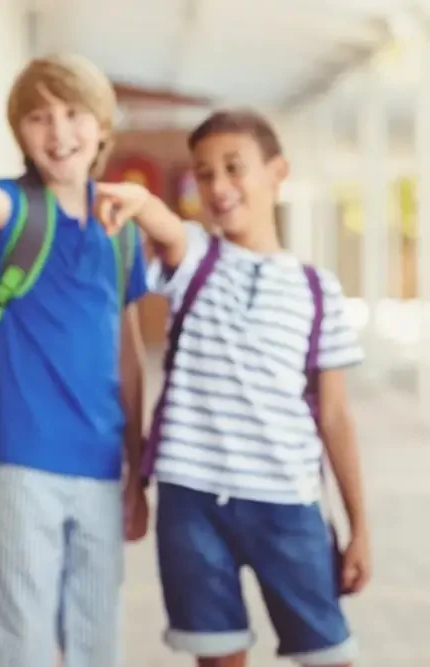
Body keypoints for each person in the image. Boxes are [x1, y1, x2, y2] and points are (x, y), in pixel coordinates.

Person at [95, 109, 370, 667]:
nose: (218, 186)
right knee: (219, 658)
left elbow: (336, 417)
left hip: (288, 504)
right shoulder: (196, 255)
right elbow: (165, 226)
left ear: (277, 172)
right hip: (191, 500)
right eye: (204, 173)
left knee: (329, 654)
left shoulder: (319, 290)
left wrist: (360, 525)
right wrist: (138, 200)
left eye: (233, 167)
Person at [0, 54, 149, 667]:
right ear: (19, 133)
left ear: (102, 125)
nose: (58, 133)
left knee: (96, 634)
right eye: (38, 117)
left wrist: (139, 464)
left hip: (102, 463)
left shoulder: (122, 227)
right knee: (21, 633)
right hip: (20, 458)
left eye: (73, 113)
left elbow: (129, 354)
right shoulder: (14, 206)